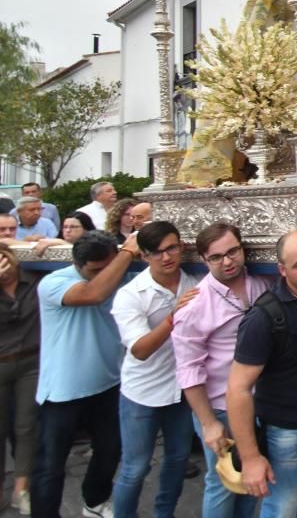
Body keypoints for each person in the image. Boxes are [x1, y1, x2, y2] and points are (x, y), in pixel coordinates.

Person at [226, 229, 297, 518]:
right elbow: (238, 389)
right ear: (283, 270)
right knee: (283, 506)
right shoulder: (264, 317)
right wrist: (251, 457)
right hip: (285, 431)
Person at [31, 230, 140, 518]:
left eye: (107, 266)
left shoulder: (118, 273)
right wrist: (126, 253)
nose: (103, 274)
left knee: (109, 451)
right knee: (50, 465)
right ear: (78, 264)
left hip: (109, 384)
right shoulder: (54, 283)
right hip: (63, 390)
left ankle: (94, 502)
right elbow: (93, 293)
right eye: (94, 270)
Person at [172, 222, 270, 518]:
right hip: (219, 408)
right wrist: (208, 423)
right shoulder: (195, 305)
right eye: (216, 257)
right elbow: (188, 369)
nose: (227, 262)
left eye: (232, 252)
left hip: (260, 402)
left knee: (251, 481)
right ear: (205, 260)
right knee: (222, 483)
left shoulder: (261, 286)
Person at [110, 221, 200, 518]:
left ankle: (165, 513)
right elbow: (140, 350)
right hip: (142, 392)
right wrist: (173, 318)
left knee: (177, 459)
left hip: (182, 390)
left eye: (172, 248)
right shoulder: (131, 295)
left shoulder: (193, 283)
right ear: (144, 256)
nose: (166, 257)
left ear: (181, 247)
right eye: (157, 252)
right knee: (135, 467)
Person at [0, 245, 39, 516]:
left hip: (30, 362)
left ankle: (20, 489)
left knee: (27, 427)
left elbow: (70, 249)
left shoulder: (33, 282)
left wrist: (48, 242)